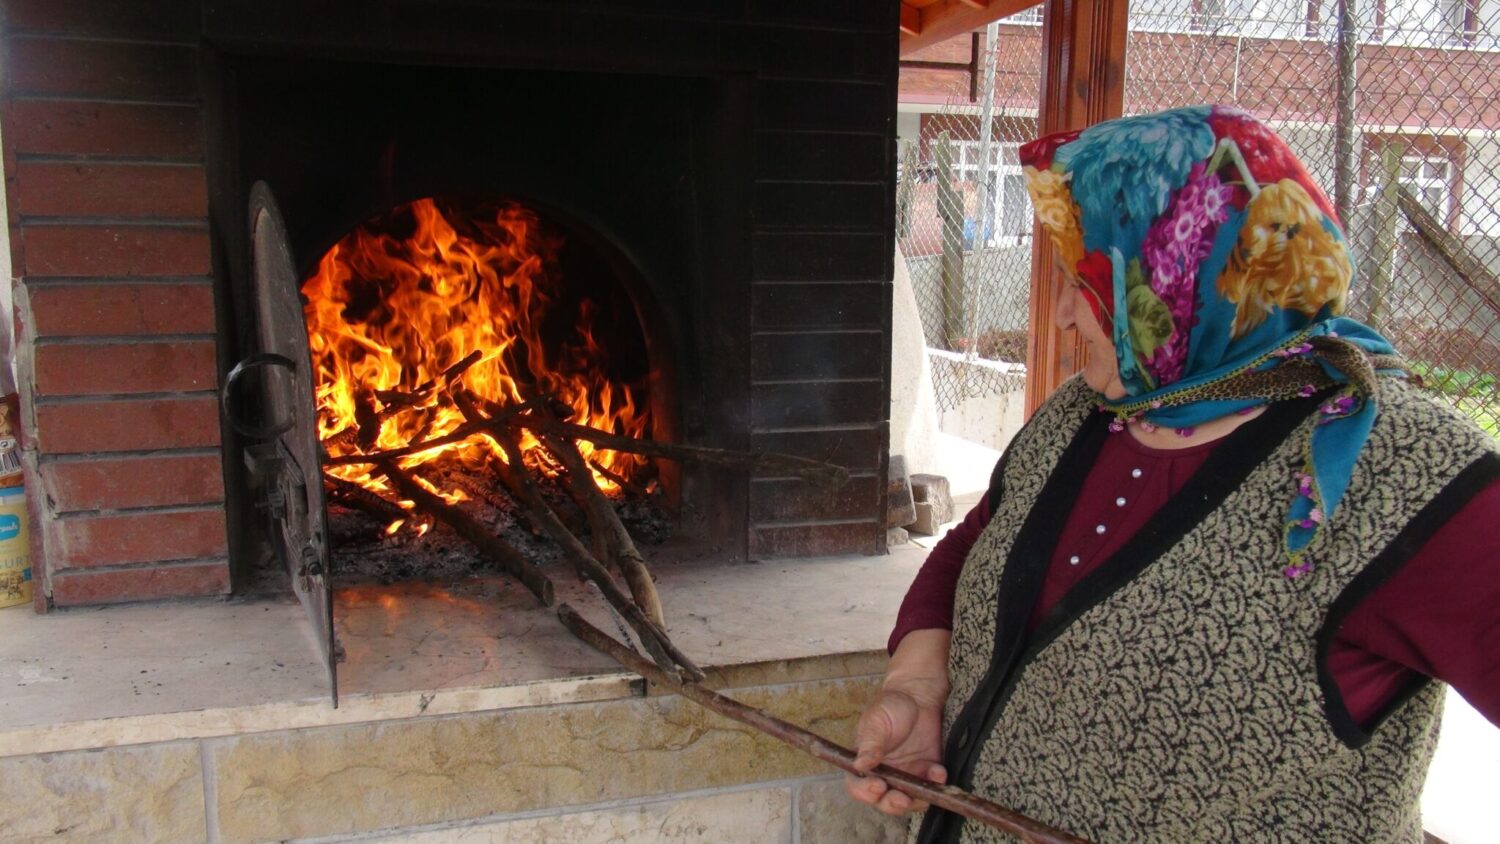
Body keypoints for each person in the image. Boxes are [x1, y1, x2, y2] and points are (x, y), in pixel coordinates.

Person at [845, 106, 1500, 843]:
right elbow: (976, 545)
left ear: (1184, 273)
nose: (1061, 315)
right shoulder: (1092, 412)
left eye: (1084, 283)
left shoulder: (1402, 474)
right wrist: (919, 684)